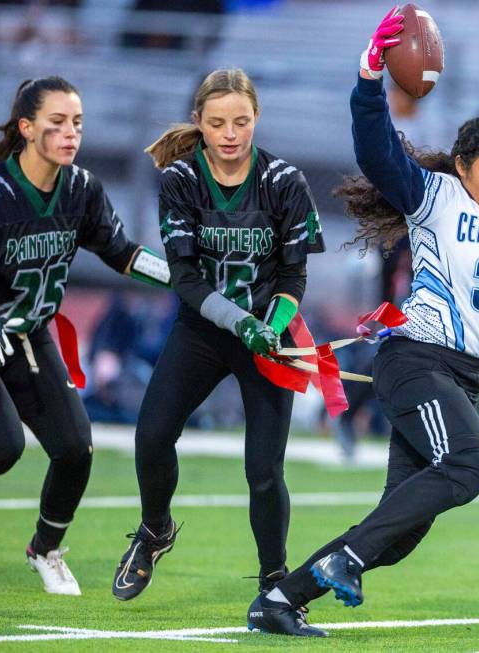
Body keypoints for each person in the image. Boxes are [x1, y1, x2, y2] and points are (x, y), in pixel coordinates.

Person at [245, 12, 479, 637]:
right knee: (472, 462)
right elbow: (374, 148)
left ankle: (279, 600)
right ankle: (343, 561)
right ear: (462, 166)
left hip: (463, 377)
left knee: (398, 535)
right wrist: (368, 73)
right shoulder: (433, 196)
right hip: (417, 362)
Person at [111, 68, 325, 604]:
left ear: (256, 119)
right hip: (204, 329)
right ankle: (155, 530)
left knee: (263, 468)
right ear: (198, 124)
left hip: (269, 334)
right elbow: (184, 279)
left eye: (242, 121)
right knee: (153, 435)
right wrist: (241, 323)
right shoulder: (181, 180)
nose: (230, 133)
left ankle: (276, 584)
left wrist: (270, 328)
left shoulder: (286, 182)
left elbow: (294, 276)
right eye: (217, 123)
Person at [0, 76, 170, 595]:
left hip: (28, 333)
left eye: (77, 123)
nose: (71, 134)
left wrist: (182, 278)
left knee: (75, 448)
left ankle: (44, 550)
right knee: (1, 447)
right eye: (57, 123)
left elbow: (122, 252)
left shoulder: (81, 188)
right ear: (26, 128)